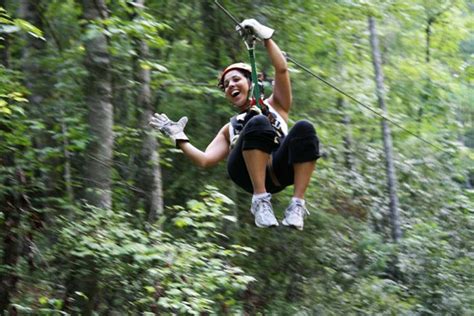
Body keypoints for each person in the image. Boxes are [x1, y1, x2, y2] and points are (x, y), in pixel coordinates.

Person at [150, 19, 320, 230]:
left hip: (281, 169)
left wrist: (265, 38)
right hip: (246, 175)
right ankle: (260, 200)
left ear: (251, 83)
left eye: (236, 79)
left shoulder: (277, 105)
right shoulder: (229, 128)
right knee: (256, 121)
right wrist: (178, 137)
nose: (231, 85)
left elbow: (282, 70)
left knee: (304, 128)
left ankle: (297, 205)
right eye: (226, 84)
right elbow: (205, 160)